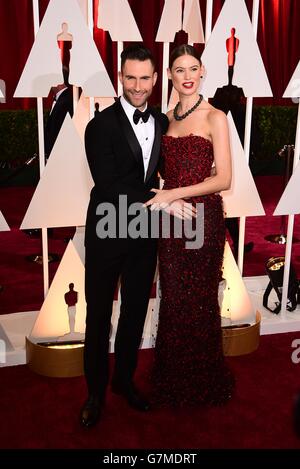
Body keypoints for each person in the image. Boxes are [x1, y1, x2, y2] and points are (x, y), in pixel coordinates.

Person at [80, 44, 174, 427]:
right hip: (107, 228)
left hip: (144, 233)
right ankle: (94, 394)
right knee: (99, 315)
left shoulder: (163, 124)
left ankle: (124, 382)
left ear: (155, 79)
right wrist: (164, 200)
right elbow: (110, 182)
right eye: (130, 77)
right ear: (121, 77)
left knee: (135, 311)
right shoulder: (99, 125)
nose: (137, 86)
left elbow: (170, 167)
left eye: (144, 78)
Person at [145, 44, 235, 407]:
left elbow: (224, 179)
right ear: (170, 75)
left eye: (192, 69)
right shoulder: (165, 118)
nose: (186, 76)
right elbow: (160, 169)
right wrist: (167, 196)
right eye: (179, 70)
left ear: (202, 73)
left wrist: (173, 193)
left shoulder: (215, 117)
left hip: (204, 218)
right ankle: (172, 377)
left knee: (199, 300)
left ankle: (202, 379)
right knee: (173, 298)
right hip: (171, 220)